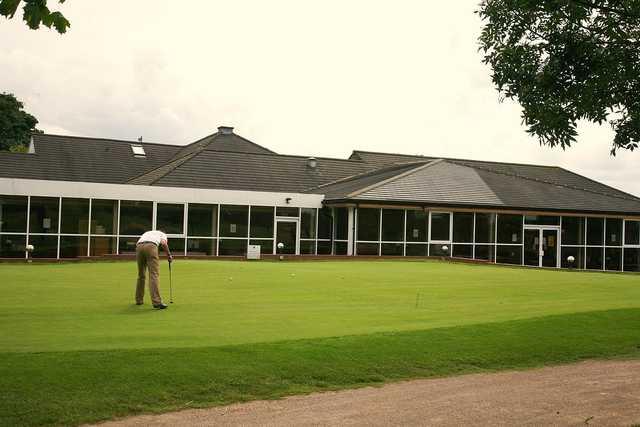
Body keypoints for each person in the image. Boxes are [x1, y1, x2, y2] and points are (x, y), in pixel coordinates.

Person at [135, 230, 173, 309]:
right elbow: (164, 244)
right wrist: (169, 255)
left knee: (141, 275)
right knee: (154, 274)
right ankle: (157, 302)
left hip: (139, 247)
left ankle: (139, 300)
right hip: (151, 246)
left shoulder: (148, 232)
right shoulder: (163, 235)